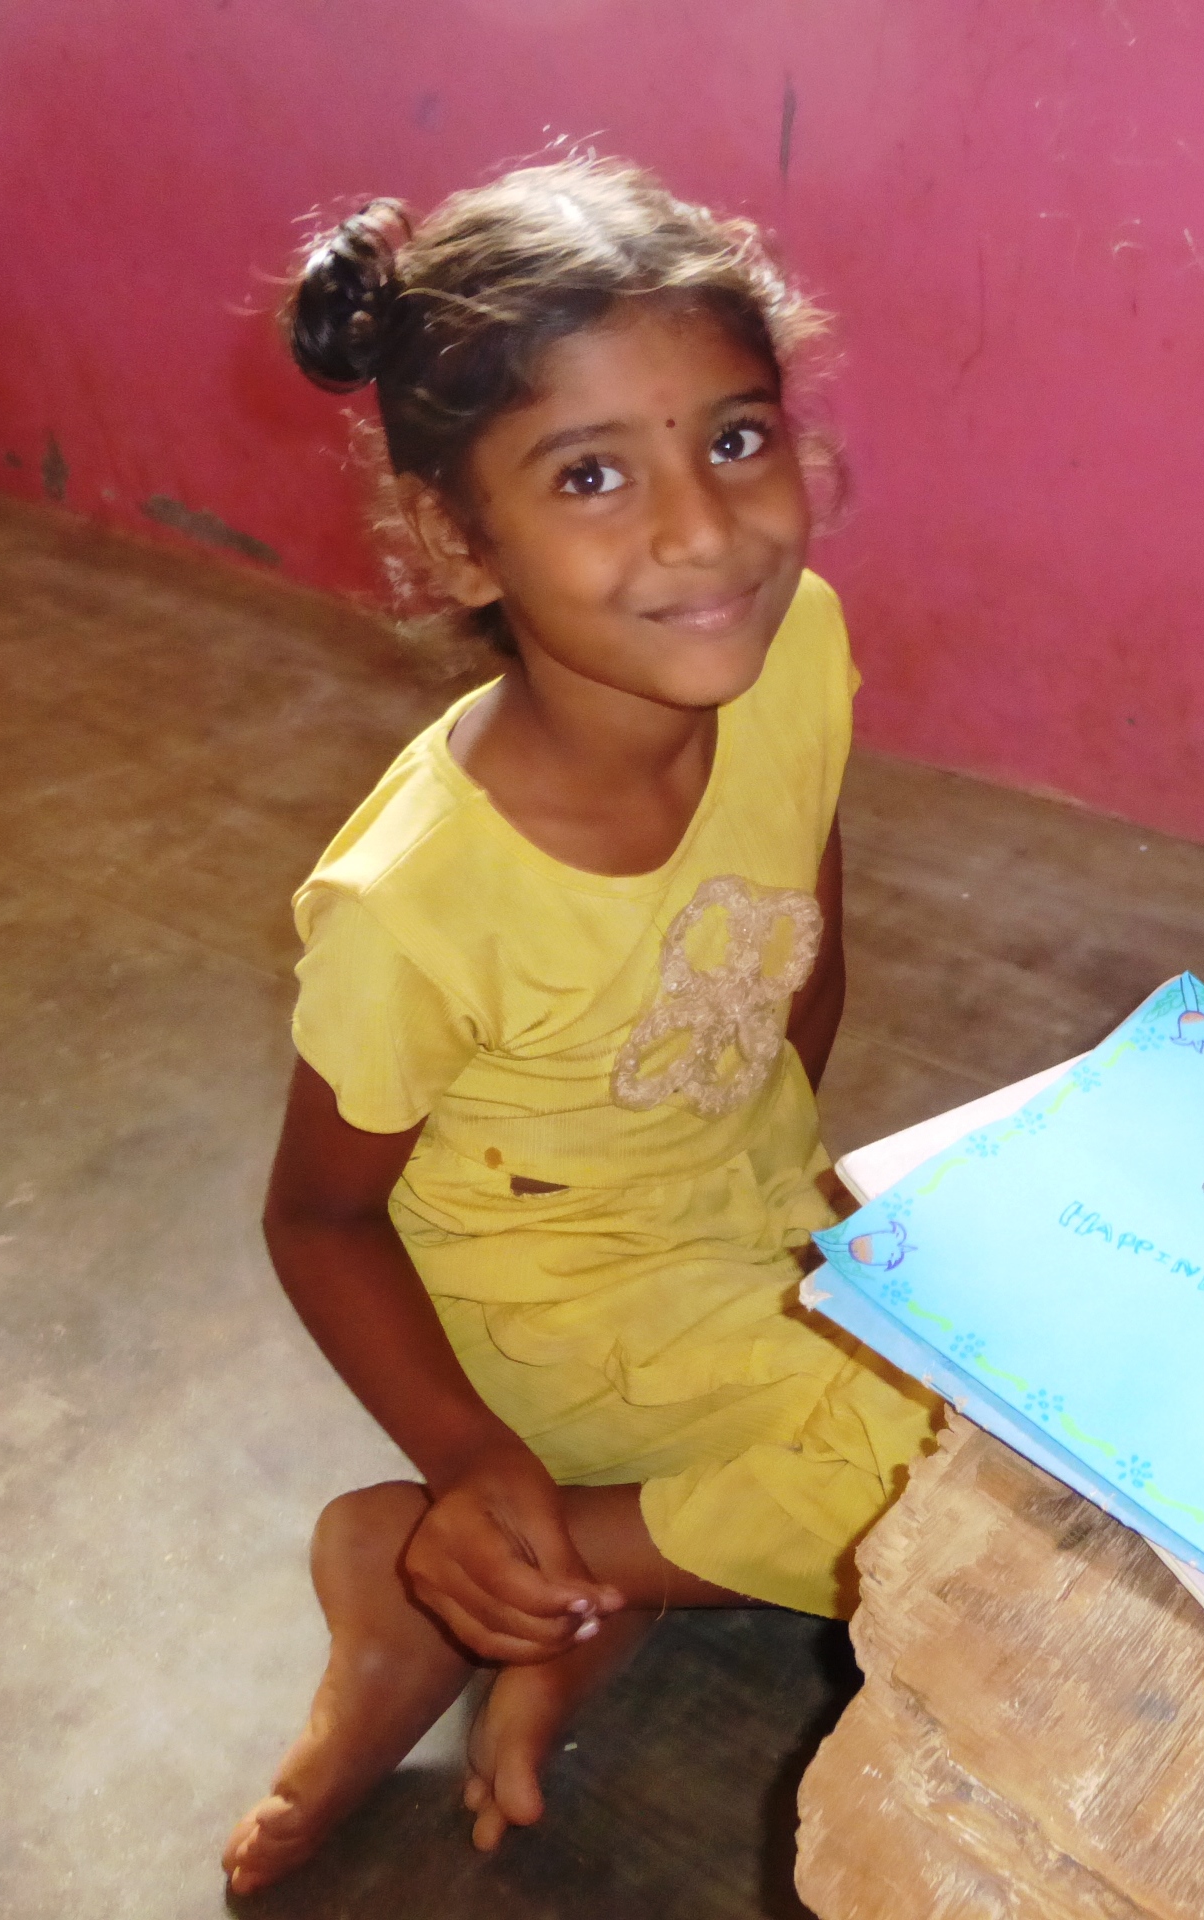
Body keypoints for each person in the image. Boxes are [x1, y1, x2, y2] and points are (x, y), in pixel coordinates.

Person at [223, 156, 939, 1894]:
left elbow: (795, 933)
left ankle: (562, 1589)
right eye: (593, 475)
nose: (702, 533)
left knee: (1032, 1368)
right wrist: (474, 1464)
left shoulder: (798, 641)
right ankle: (461, 1557)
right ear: (459, 539)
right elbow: (317, 1216)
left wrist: (807, 1214)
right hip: (539, 1305)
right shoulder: (420, 899)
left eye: (739, 439)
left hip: (732, 1195)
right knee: (937, 1473)